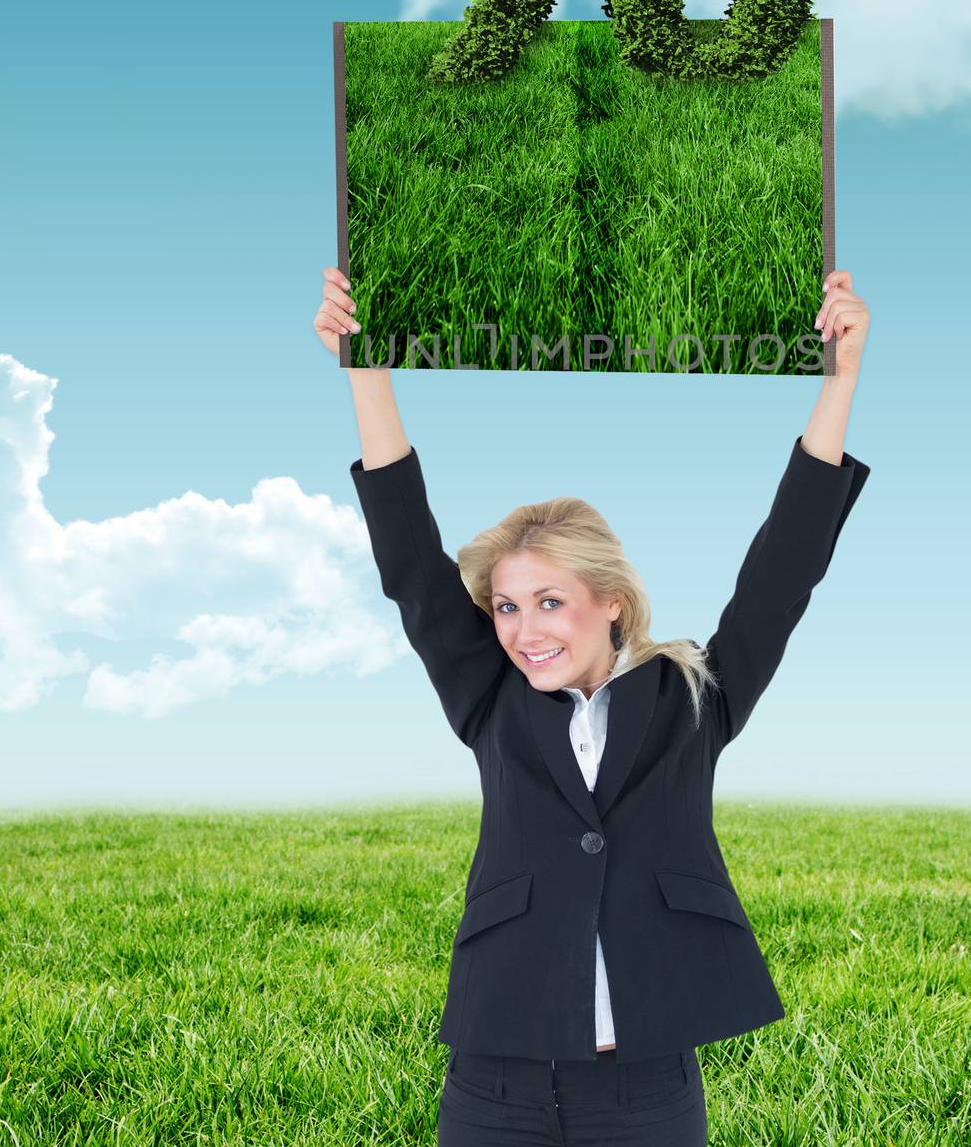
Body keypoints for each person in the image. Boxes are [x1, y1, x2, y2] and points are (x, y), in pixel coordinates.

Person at [314, 264, 872, 1145]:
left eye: (549, 601)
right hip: (496, 1081)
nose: (523, 630)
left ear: (611, 600)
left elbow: (784, 572)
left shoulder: (693, 697)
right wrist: (366, 372)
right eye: (505, 606)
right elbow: (411, 565)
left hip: (646, 1090)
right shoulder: (488, 700)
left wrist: (838, 385)